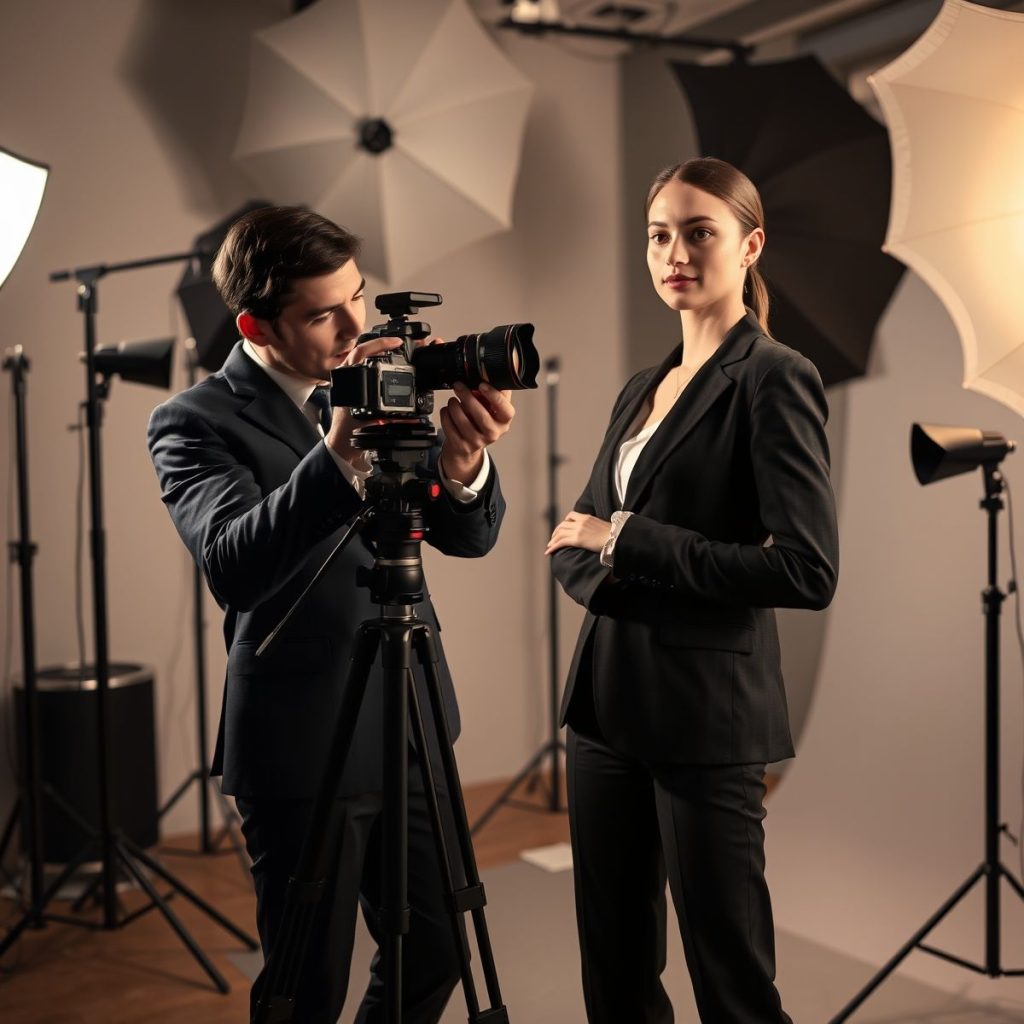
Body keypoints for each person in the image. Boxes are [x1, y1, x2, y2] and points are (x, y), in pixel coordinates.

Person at [148, 206, 514, 1023]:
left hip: (414, 718)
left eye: (358, 295)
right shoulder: (194, 421)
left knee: (438, 951)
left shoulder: (386, 376)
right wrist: (341, 449)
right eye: (323, 313)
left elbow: (468, 537)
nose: (356, 325)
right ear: (255, 323)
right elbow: (234, 562)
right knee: (304, 988)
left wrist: (465, 463)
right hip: (299, 740)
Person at [546, 157, 839, 1023]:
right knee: (616, 965)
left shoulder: (774, 376)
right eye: (659, 235)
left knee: (731, 976)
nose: (675, 252)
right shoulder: (644, 386)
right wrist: (613, 554)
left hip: (706, 716)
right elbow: (570, 542)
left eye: (698, 233)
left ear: (749, 246)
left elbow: (804, 568)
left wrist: (629, 543)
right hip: (604, 709)